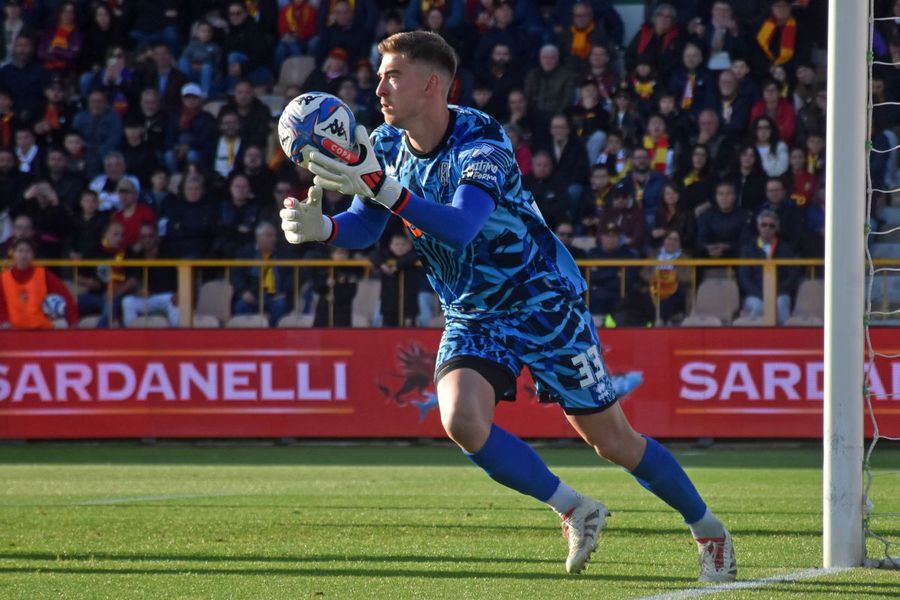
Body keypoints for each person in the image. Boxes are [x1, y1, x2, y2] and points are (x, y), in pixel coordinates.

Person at [280, 30, 737, 580]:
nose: (378, 87)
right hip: (474, 314)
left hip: (544, 302)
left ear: (431, 84)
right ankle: (575, 508)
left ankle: (708, 529)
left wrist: (385, 189)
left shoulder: (482, 140)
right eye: (380, 76)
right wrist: (324, 227)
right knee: (461, 419)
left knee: (614, 441)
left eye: (392, 75)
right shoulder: (384, 144)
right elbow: (368, 222)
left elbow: (464, 226)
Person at [0, 238, 78, 328]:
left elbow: (65, 296)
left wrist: (73, 320)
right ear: (13, 254)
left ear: (33, 255)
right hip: (13, 331)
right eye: (20, 251)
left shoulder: (43, 274)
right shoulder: (3, 278)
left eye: (28, 251)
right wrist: (3, 321)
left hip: (42, 329)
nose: (24, 255)